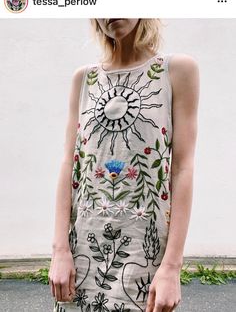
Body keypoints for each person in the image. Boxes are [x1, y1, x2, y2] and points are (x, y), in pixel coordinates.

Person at [49, 18, 200, 312]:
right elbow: (69, 164)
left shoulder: (177, 71)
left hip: (144, 254)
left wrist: (171, 266)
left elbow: (183, 169)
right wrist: (59, 250)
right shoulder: (84, 79)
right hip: (82, 251)